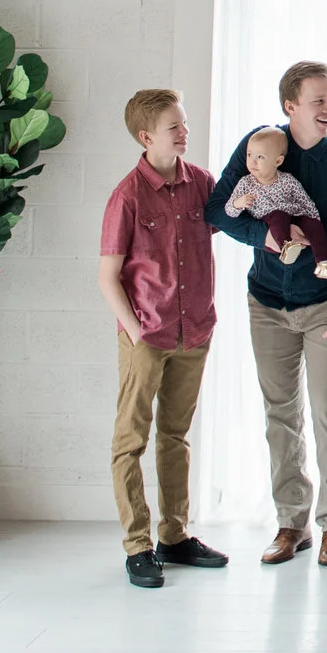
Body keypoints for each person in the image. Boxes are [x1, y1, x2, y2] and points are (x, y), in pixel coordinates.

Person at [206, 60, 327, 568]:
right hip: (266, 302)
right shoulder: (259, 145)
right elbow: (219, 210)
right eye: (318, 100)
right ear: (290, 106)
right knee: (280, 413)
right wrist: (266, 236)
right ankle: (291, 522)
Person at [97, 89, 229, 588]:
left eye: (186, 123)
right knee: (129, 441)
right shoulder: (127, 196)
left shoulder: (201, 184)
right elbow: (108, 277)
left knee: (176, 437)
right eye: (175, 126)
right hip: (145, 337)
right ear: (147, 136)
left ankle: (175, 537)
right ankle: (138, 545)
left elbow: (236, 218)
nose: (185, 132)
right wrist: (136, 333)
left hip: (194, 331)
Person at [225, 126, 327, 280]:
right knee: (278, 216)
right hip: (269, 217)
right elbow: (228, 210)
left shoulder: (287, 180)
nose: (253, 161)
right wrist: (238, 203)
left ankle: (324, 263)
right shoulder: (246, 183)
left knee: (313, 224)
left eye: (260, 157)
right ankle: (286, 246)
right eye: (249, 155)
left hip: (294, 214)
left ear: (278, 160)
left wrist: (313, 220)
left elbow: (304, 200)